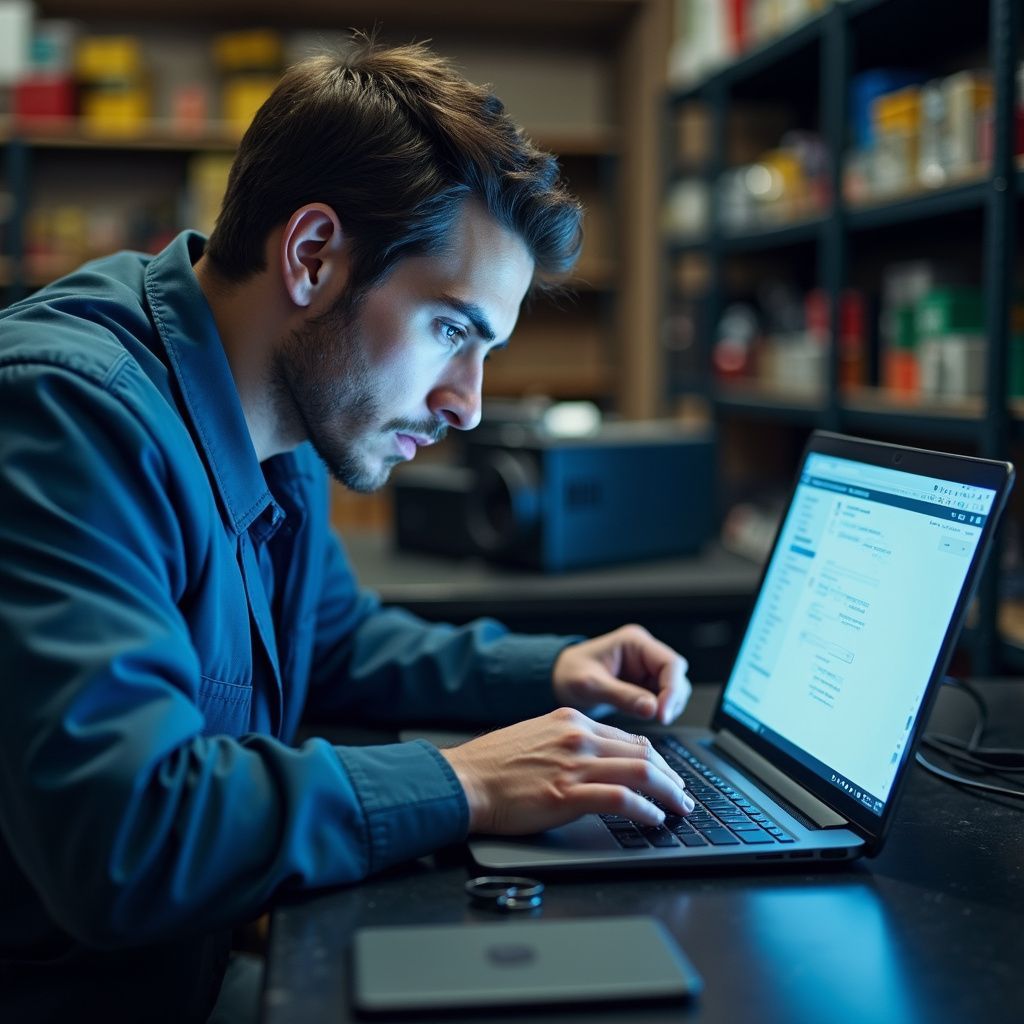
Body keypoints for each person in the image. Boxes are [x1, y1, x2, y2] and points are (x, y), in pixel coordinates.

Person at [0, 39, 693, 1021]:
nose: (467, 406)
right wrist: (461, 783)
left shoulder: (274, 415)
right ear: (312, 256)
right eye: (453, 330)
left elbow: (329, 638)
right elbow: (125, 833)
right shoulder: (72, 416)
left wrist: (550, 673)